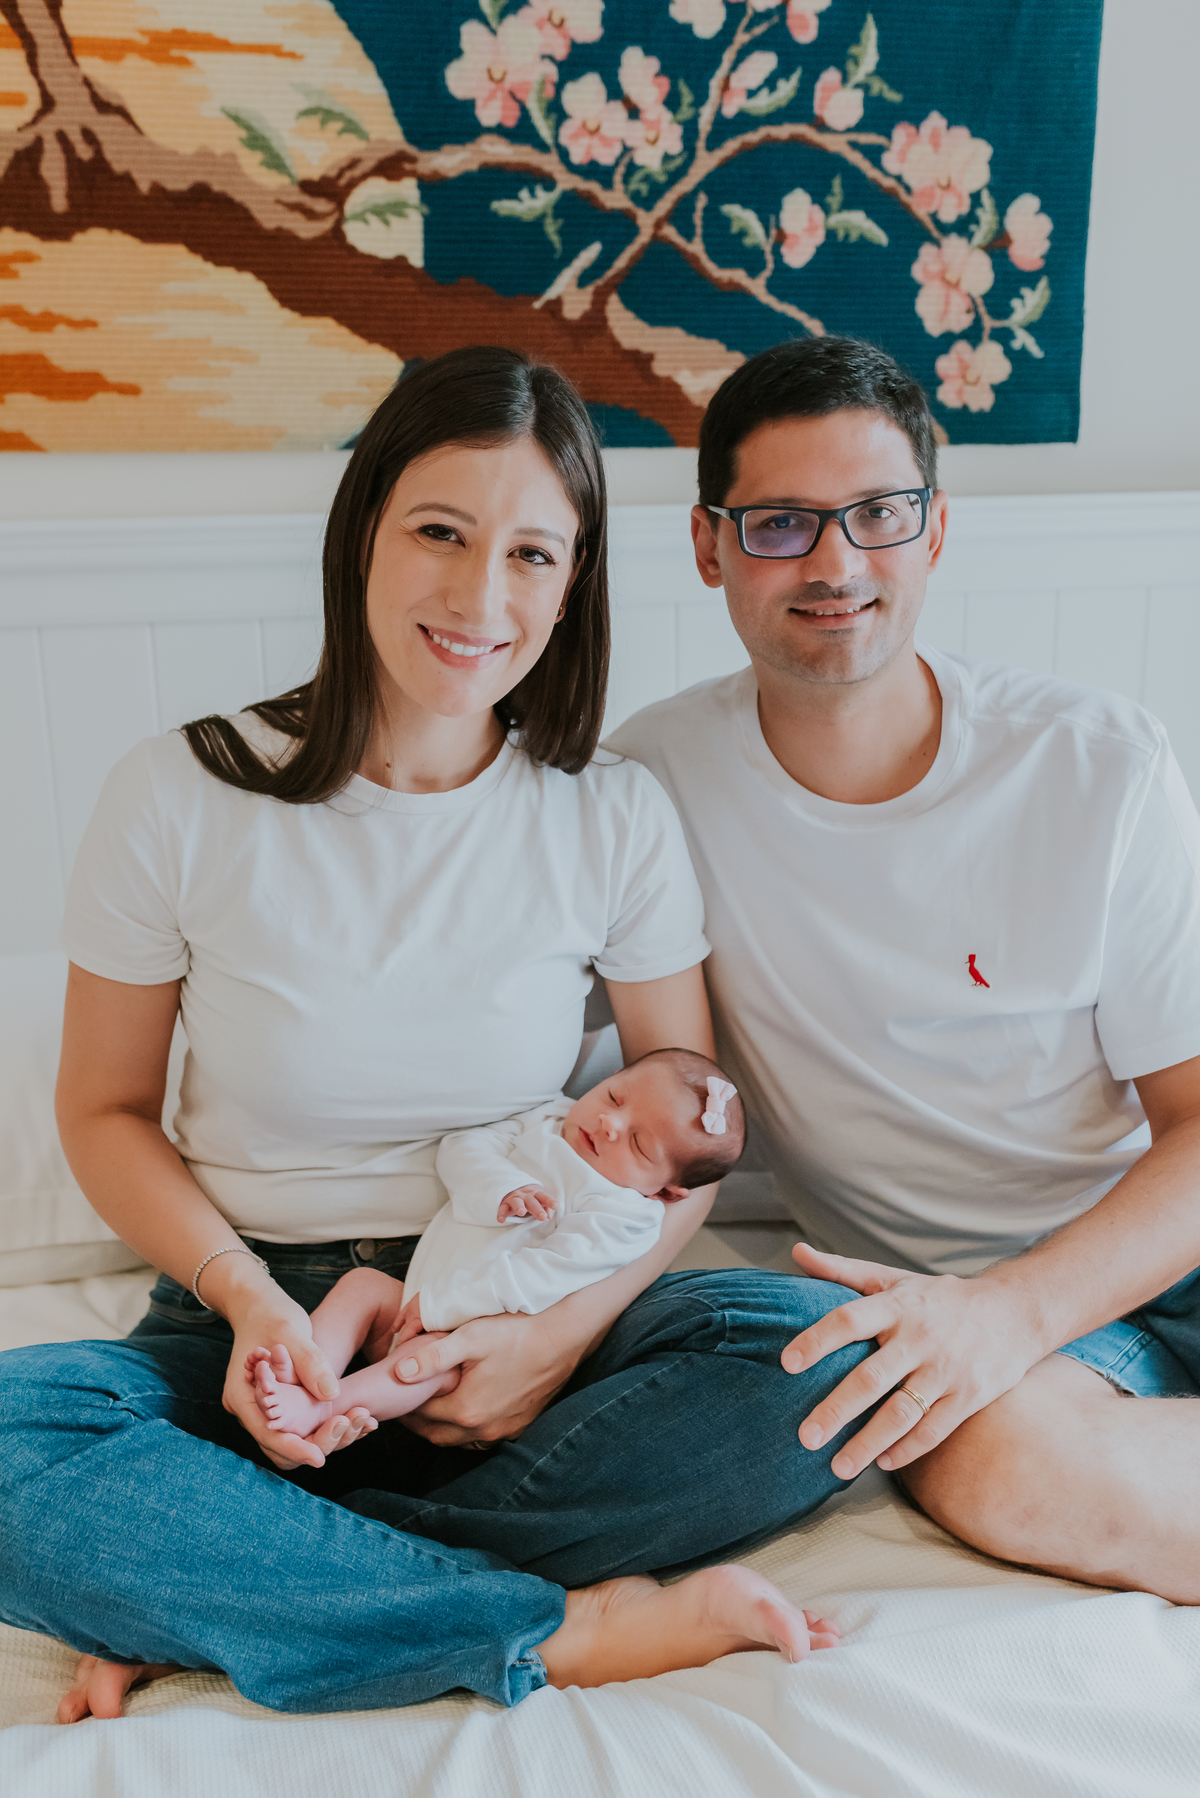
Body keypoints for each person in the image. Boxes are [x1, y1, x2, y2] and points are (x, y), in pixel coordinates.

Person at [0, 348, 858, 1726]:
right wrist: (246, 1302)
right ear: (364, 534)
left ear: (572, 583)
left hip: (520, 1297)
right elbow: (103, 1111)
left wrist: (556, 1338)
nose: (480, 598)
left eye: (532, 553)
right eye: (441, 534)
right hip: (253, 1322)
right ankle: (541, 1623)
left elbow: (676, 1161)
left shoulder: (610, 813)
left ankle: (240, 1583)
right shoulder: (179, 795)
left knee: (823, 1352)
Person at [608, 335, 1200, 1603]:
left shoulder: (1098, 765)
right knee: (991, 1465)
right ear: (709, 546)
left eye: (879, 514)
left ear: (934, 533)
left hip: (1152, 1233)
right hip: (990, 1318)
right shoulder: (649, 786)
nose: (836, 563)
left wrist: (1017, 1311)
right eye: (781, 523)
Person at [249, 1049, 746, 1440]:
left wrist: (446, 1305)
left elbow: (539, 1274)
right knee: (360, 1288)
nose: (610, 1124)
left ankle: (322, 1409)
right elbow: (463, 1148)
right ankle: (303, 1375)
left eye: (638, 1144)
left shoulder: (626, 1214)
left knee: (422, 1362)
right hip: (411, 1299)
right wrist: (502, 1188)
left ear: (666, 1191)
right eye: (615, 1097)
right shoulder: (549, 1117)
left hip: (474, 1338)